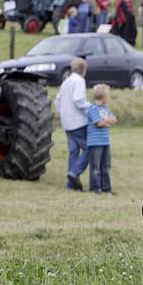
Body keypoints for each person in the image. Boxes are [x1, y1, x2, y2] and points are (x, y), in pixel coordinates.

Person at [54, 57, 90, 191]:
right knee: (89, 148)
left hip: (66, 122)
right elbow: (79, 99)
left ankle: (70, 185)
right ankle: (74, 172)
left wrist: (62, 113)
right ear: (83, 70)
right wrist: (90, 108)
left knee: (73, 151)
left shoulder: (66, 81)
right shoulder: (79, 81)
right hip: (78, 122)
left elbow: (57, 100)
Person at [86, 84, 117, 194]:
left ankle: (106, 188)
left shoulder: (105, 108)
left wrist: (106, 121)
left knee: (106, 166)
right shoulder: (92, 108)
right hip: (95, 143)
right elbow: (98, 123)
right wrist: (106, 121)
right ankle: (95, 188)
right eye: (107, 95)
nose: (107, 98)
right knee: (96, 167)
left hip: (105, 142)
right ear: (102, 96)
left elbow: (114, 119)